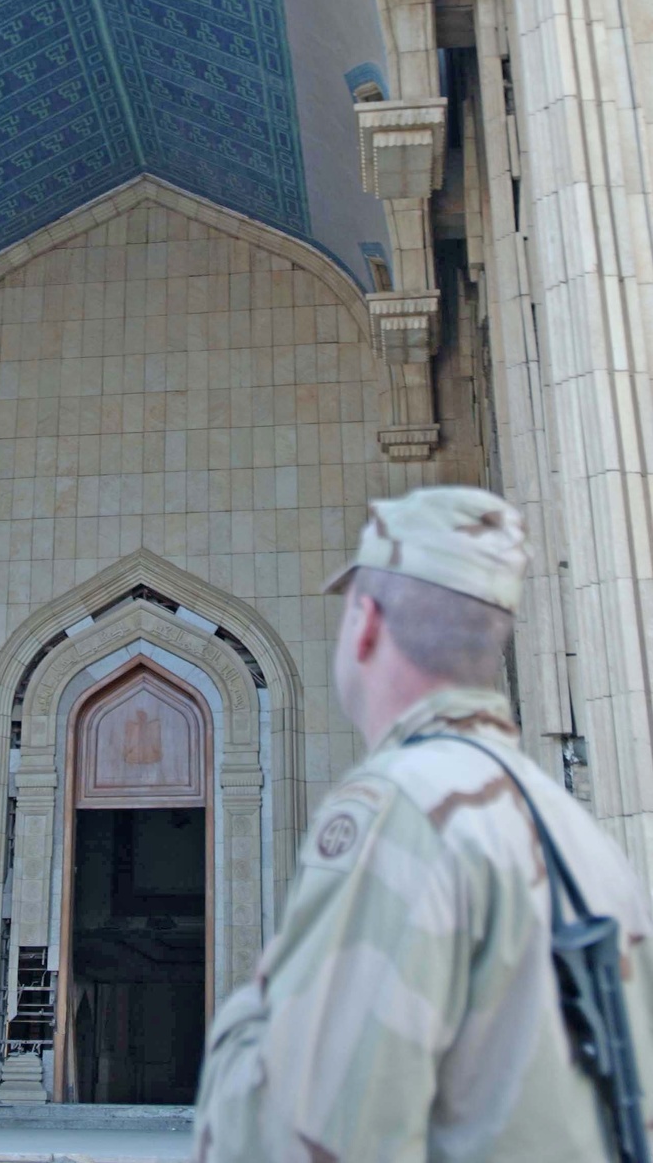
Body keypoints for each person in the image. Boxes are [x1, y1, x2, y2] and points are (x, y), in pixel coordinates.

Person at [193, 486, 653, 1162]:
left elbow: (300, 1133)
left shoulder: (403, 809)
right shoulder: (576, 830)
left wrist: (249, 1010)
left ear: (366, 621)